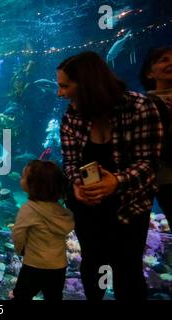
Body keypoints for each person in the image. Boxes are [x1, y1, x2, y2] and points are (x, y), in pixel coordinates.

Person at [58, 51, 163, 300]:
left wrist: (116, 181)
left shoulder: (139, 107)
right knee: (92, 262)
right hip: (87, 205)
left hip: (129, 207)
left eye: (65, 86)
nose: (59, 93)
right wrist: (76, 185)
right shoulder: (72, 116)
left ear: (87, 84)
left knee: (128, 269)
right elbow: (70, 161)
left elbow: (149, 163)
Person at [12, 160, 74, 301]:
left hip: (33, 265)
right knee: (54, 297)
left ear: (34, 185)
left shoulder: (28, 209)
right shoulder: (61, 211)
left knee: (21, 296)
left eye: (23, 177)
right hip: (58, 267)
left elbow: (18, 234)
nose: (21, 180)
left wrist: (20, 250)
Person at [140, 47, 172, 229]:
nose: (170, 63)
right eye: (163, 60)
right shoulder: (145, 103)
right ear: (149, 73)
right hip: (166, 179)